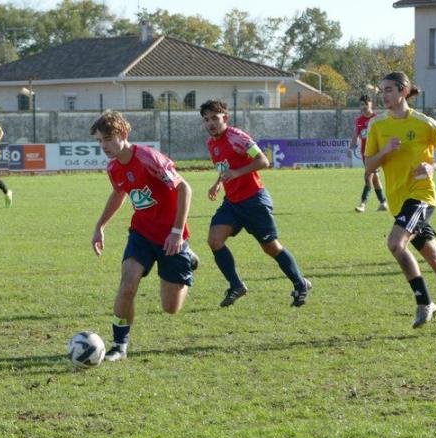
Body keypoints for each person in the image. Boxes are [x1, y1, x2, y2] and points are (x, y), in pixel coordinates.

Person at [90, 111, 198, 362]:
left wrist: (176, 232)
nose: (104, 146)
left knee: (170, 308)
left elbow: (184, 188)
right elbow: (119, 194)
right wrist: (100, 226)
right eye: (99, 141)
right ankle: (119, 345)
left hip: (171, 236)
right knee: (127, 285)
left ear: (124, 135)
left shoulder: (149, 158)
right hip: (141, 234)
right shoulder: (114, 167)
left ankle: (188, 259)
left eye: (108, 139)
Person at [200, 99, 311, 308]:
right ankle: (236, 286)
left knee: (271, 247)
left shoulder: (237, 138)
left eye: (215, 118)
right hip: (232, 203)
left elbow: (263, 160)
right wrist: (218, 184)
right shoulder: (211, 143)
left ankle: (300, 283)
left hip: (254, 201)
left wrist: (237, 173)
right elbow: (226, 168)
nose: (210, 123)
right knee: (215, 240)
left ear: (225, 117)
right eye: (206, 119)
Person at [364, 71, 436, 328]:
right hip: (398, 202)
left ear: (403, 91)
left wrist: (434, 167)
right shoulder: (377, 126)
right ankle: (428, 302)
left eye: (389, 90)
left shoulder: (425, 123)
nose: (384, 95)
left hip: (421, 196)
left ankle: (424, 302)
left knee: (395, 243)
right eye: (381, 91)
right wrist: (385, 151)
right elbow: (369, 166)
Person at [352, 94, 387, 212]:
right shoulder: (358, 120)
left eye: (366, 104)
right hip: (364, 153)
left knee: (368, 176)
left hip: (375, 153)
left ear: (371, 104)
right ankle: (383, 202)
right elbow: (355, 134)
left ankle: (362, 204)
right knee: (375, 178)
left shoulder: (377, 119)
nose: (364, 106)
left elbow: (383, 135)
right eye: (361, 104)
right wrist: (350, 148)